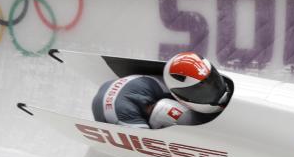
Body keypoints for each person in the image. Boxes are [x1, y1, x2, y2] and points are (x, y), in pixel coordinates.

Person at [91, 52, 231, 129]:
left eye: (213, 81)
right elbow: (144, 145)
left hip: (133, 88)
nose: (213, 88)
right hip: (112, 110)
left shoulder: (167, 81)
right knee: (164, 110)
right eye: (201, 90)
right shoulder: (127, 112)